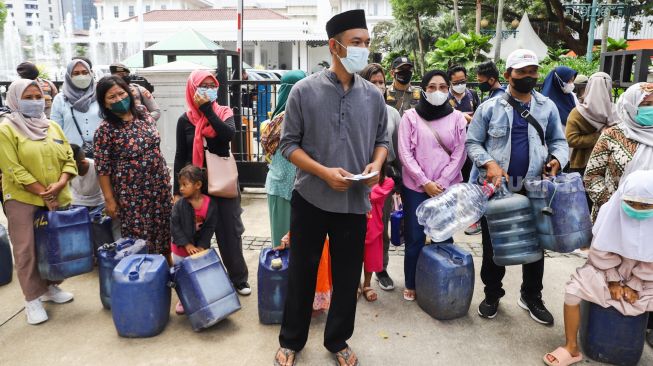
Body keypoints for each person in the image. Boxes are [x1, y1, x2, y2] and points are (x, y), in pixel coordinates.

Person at [274, 9, 388, 366]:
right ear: (334, 46)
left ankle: (337, 339)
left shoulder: (373, 96)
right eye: (356, 43)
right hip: (310, 197)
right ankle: (291, 340)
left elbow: (383, 140)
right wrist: (323, 172)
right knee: (302, 273)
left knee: (346, 275)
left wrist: (377, 164)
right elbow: (288, 145)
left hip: (354, 201)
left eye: (367, 43)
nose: (363, 50)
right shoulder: (304, 91)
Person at [466, 49, 569, 325]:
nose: (528, 77)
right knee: (494, 246)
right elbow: (472, 142)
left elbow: (559, 141)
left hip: (534, 187)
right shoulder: (489, 108)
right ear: (509, 74)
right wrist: (488, 163)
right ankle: (492, 294)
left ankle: (532, 296)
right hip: (498, 188)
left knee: (536, 245)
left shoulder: (547, 106)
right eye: (522, 72)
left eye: (533, 71)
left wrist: (558, 159)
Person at [543, 170, 653, 366]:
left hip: (645, 278)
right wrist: (612, 280)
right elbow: (600, 251)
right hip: (606, 269)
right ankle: (571, 347)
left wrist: (634, 285)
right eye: (630, 203)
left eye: (644, 205)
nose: (636, 209)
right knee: (572, 291)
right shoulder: (610, 211)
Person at [0, 79, 78, 324]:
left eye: (38, 97)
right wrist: (42, 191)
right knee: (27, 250)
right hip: (24, 198)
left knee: (53, 245)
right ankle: (31, 299)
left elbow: (69, 158)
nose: (35, 101)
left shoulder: (52, 126)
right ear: (14, 99)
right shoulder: (6, 129)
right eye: (28, 97)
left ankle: (50, 287)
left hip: (55, 196)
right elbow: (12, 168)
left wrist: (62, 181)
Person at [173, 69, 250, 295]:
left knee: (229, 232)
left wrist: (207, 109)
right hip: (195, 187)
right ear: (192, 89)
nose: (209, 89)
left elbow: (227, 135)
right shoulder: (184, 120)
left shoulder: (224, 111)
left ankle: (239, 279)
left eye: (212, 84)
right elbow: (180, 155)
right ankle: (198, 282)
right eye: (203, 85)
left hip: (223, 182)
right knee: (193, 234)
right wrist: (177, 191)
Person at [398, 69, 468, 302]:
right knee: (415, 236)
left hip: (446, 189)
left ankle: (440, 281)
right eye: (432, 87)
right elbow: (405, 154)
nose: (437, 91)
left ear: (448, 89)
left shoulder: (457, 118)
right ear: (424, 90)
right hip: (415, 188)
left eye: (442, 87)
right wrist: (424, 182)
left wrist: (443, 182)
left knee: (443, 236)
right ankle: (411, 282)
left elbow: (460, 152)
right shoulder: (410, 117)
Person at [94, 76, 172, 256]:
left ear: (128, 92)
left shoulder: (143, 112)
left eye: (121, 93)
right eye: (111, 97)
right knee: (140, 238)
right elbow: (102, 168)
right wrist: (109, 200)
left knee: (163, 230)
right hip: (132, 195)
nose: (119, 99)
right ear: (105, 104)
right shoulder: (105, 130)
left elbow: (155, 144)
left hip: (159, 187)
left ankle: (167, 270)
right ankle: (145, 277)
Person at [584, 82, 653, 222]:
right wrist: (611, 205)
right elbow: (592, 176)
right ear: (630, 106)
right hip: (613, 217)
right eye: (646, 105)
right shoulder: (612, 135)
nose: (651, 109)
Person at [360, 63, 401, 291]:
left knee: (381, 229)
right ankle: (355, 278)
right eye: (372, 82)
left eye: (381, 82)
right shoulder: (355, 111)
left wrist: (399, 185)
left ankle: (381, 269)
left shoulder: (392, 113)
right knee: (356, 229)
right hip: (356, 179)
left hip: (383, 180)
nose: (378, 86)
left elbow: (399, 151)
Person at [264, 70, 307, 249]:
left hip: (302, 189)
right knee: (282, 244)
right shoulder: (283, 118)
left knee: (300, 245)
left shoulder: (303, 116)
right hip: (282, 188)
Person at [170, 164, 219, 314]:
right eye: (180, 185)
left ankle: (199, 297)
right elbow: (174, 226)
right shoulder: (179, 205)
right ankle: (184, 299)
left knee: (199, 275)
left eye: (185, 185)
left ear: (198, 185)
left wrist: (203, 246)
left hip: (198, 250)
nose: (181, 189)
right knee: (183, 277)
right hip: (180, 250)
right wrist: (187, 244)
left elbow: (209, 228)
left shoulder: (210, 205)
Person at [566, 72, 617, 180]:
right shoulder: (616, 112)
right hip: (591, 165)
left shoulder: (577, 112)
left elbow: (571, 139)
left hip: (595, 165)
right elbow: (570, 140)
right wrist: (600, 135)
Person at [50, 59, 101, 158]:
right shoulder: (61, 99)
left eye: (85, 72)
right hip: (72, 155)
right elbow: (55, 130)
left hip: (102, 153)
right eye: (76, 73)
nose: (81, 76)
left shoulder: (101, 95)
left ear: (91, 73)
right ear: (69, 76)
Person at [361, 165, 394, 302]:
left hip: (373, 226)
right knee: (354, 257)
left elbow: (372, 196)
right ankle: (355, 286)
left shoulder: (387, 182)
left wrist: (361, 183)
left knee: (370, 256)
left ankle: (366, 285)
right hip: (355, 222)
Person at [69, 144, 104, 209]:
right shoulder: (66, 170)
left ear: (83, 163)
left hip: (97, 202)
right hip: (75, 202)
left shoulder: (96, 167)